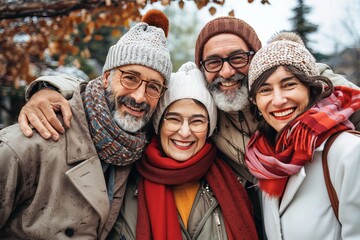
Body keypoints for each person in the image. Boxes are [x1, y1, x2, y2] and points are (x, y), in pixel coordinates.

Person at [16, 15, 360, 239]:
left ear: (257, 62)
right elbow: (115, 94)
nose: (226, 72)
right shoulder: (156, 147)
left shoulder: (307, 122)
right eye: (213, 62)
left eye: (237, 59)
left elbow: (337, 94)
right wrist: (49, 89)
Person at [0, 9, 172, 239]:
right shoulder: (26, 142)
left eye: (153, 86)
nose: (140, 96)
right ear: (105, 77)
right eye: (130, 78)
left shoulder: (138, 151)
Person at [107, 61, 258, 240]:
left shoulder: (238, 180)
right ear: (158, 125)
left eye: (197, 121)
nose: (185, 132)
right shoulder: (122, 181)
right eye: (173, 119)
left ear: (210, 128)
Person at [245, 31, 360, 239]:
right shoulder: (263, 161)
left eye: (289, 84)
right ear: (255, 102)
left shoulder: (349, 153)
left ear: (311, 88)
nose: (278, 100)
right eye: (265, 90)